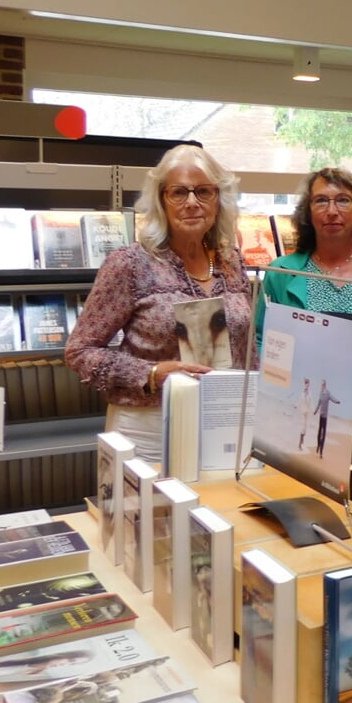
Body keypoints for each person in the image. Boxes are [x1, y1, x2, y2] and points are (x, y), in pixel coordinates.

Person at [65, 144, 254, 464]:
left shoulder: (231, 262)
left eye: (203, 192)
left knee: (219, 512)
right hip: (147, 429)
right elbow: (79, 351)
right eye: (179, 192)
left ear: (218, 199)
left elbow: (249, 349)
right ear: (161, 200)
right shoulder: (130, 264)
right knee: (152, 515)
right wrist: (152, 373)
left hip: (223, 422)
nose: (192, 203)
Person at [260, 168, 352, 474]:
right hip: (297, 412)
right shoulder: (281, 272)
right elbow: (261, 340)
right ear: (307, 212)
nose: (332, 211)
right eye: (321, 201)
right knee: (301, 498)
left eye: (343, 200)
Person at [313, 379, 341, 456]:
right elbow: (319, 403)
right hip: (321, 415)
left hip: (325, 417)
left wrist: (337, 401)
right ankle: (318, 445)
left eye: (322, 385)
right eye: (321, 385)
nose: (321, 386)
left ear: (324, 385)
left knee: (324, 433)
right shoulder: (321, 393)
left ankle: (321, 451)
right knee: (319, 432)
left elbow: (332, 398)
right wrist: (315, 411)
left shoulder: (328, 393)